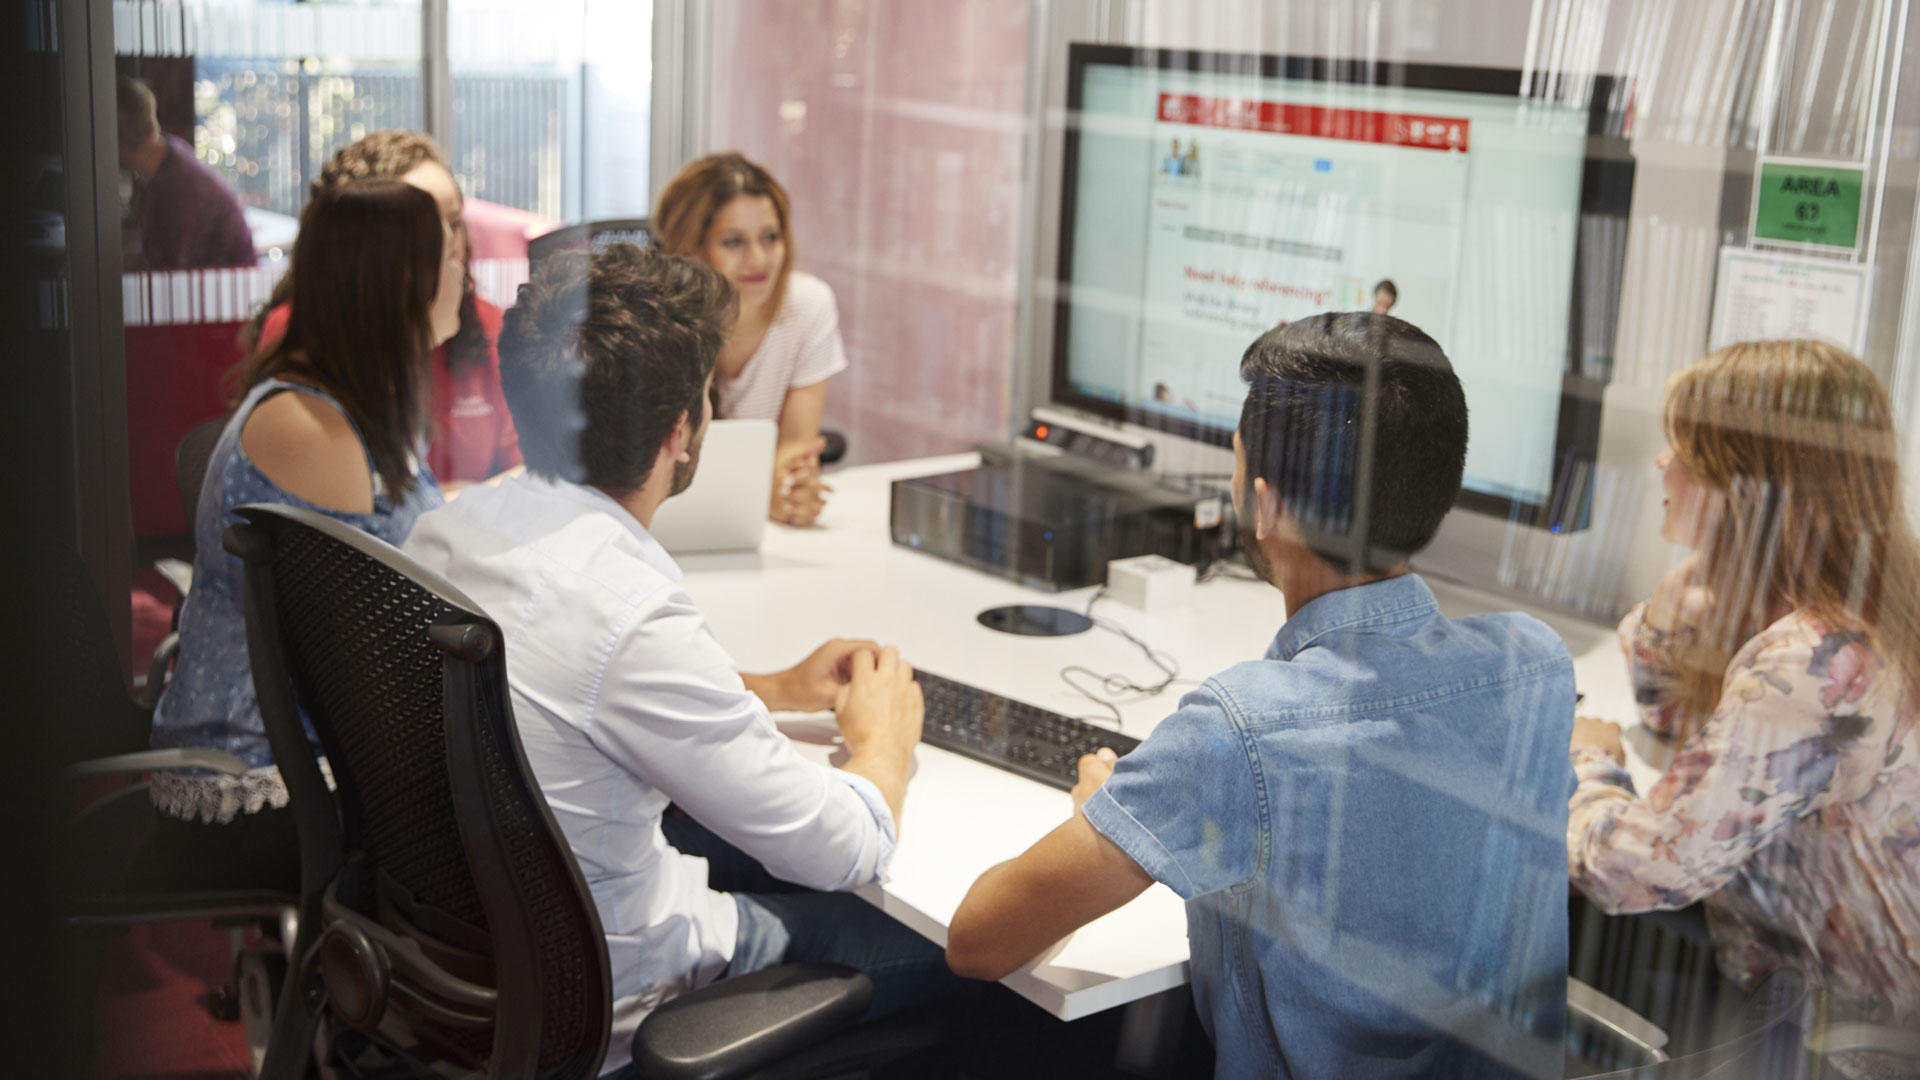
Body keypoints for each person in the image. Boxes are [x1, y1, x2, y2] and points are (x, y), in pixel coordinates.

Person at [947, 312, 1578, 1079]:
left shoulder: (1237, 734)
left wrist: (1102, 810)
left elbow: (978, 941)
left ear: (1265, 504)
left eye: (1236, 466)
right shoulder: (1538, 665)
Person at [402, 243, 960, 1077]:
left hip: (473, 954)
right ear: (680, 433)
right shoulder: (628, 611)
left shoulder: (447, 533)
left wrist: (770, 689)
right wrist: (883, 746)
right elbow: (842, 848)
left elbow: (581, 695)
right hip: (617, 990)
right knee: (959, 951)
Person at [1567, 340, 1920, 1061]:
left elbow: (1633, 871)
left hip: (1830, 1040)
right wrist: (1697, 581)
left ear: (1746, 490)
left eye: (1686, 451)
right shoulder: (1859, 603)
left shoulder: (1814, 664)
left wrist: (1590, 766)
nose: (1661, 463)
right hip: (1810, 976)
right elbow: (1664, 706)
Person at [138, 179, 459, 892]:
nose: (465, 272)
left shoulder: (342, 408)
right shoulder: (313, 431)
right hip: (262, 785)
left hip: (306, 761)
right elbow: (374, 652)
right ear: (400, 282)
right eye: (451, 254)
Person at [243, 130, 522, 490]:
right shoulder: (303, 341)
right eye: (425, 232)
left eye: (454, 223)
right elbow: (365, 505)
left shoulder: (487, 323)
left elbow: (529, 469)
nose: (450, 246)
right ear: (364, 246)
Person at [654, 152, 845, 525]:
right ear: (691, 249)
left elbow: (793, 453)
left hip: (748, 529)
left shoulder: (809, 307)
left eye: (770, 238)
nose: (758, 259)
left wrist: (791, 491)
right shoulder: (660, 320)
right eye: (734, 242)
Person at [116, 75, 255, 270]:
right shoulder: (169, 150)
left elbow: (167, 272)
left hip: (224, 282)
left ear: (120, 145)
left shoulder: (173, 189)